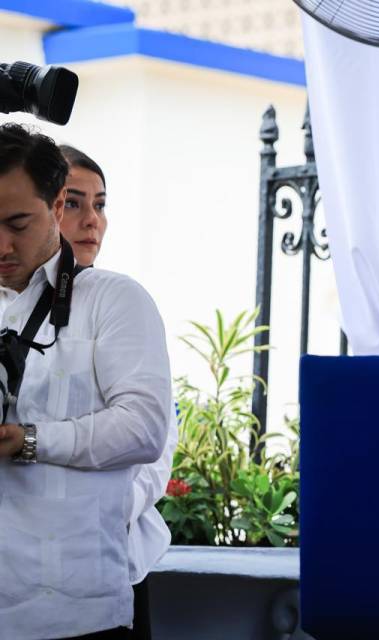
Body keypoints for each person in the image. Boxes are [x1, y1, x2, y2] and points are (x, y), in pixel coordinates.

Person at [0, 123, 171, 639]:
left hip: (72, 612)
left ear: (52, 209)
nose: (1, 244)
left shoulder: (115, 300)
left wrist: (30, 440)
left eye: (17, 223)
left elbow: (145, 430)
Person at [58, 144, 176, 640]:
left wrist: (102, 511)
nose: (93, 221)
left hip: (114, 558)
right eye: (74, 202)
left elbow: (155, 439)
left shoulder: (124, 304)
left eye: (100, 204)